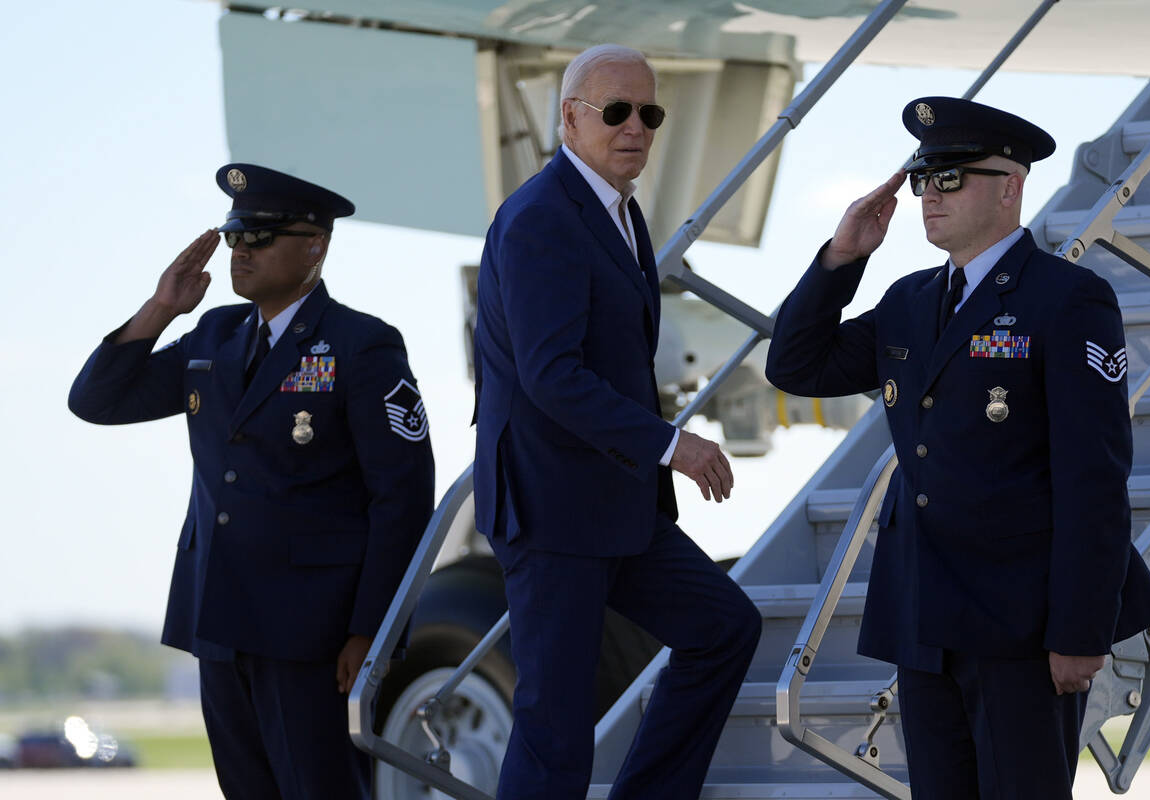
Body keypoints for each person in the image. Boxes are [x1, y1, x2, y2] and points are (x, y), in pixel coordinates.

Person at [765, 96, 1150, 799]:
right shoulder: (910, 300)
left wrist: (1081, 628)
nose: (930, 196)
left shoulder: (1067, 299)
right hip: (925, 615)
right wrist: (841, 257)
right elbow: (797, 366)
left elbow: (1094, 476)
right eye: (924, 179)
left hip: (1022, 625)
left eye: (952, 178)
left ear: (1010, 186)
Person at [68, 164, 435, 800]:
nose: (242, 252)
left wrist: (371, 629)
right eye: (235, 236)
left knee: (321, 789)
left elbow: (401, 496)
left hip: (311, 628)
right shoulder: (213, 335)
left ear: (315, 245)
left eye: (260, 238)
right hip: (219, 616)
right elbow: (96, 400)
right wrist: (160, 308)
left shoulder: (360, 344)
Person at [472, 44, 762, 800]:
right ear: (569, 118)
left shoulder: (617, 214)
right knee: (555, 730)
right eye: (617, 111)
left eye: (650, 113)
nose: (637, 127)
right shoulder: (541, 217)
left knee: (724, 628)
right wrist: (674, 445)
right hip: (552, 508)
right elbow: (551, 374)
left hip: (616, 508)